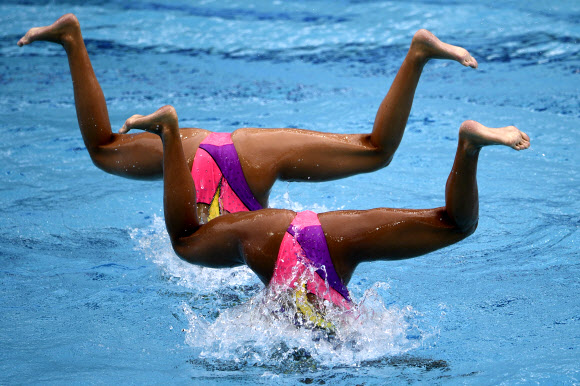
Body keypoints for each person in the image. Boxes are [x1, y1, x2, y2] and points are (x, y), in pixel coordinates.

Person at [18, 14, 479, 223]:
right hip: (250, 148)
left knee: (103, 148)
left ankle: (72, 40)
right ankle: (417, 55)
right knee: (376, 150)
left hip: (192, 145)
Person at [118, 104, 529, 328]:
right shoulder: (348, 338)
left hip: (294, 236)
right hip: (301, 233)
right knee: (456, 224)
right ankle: (469, 146)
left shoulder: (276, 329)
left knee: (185, 242)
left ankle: (170, 134)